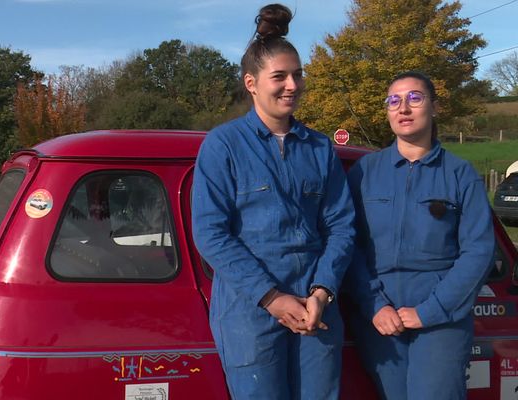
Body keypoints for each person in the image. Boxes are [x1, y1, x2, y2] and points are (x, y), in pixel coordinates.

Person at [191, 4, 355, 399]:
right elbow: (211, 233)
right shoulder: (223, 145)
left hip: (317, 309)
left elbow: (341, 225)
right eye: (279, 76)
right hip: (251, 311)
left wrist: (322, 291)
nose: (292, 85)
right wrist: (271, 297)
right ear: (251, 83)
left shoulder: (319, 147)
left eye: (297, 75)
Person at [344, 71, 495, 400]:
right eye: (394, 101)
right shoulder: (364, 173)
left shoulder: (460, 175)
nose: (403, 108)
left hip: (441, 320)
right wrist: (374, 305)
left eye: (415, 98)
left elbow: (479, 251)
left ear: (434, 107)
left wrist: (431, 310)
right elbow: (347, 245)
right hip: (380, 319)